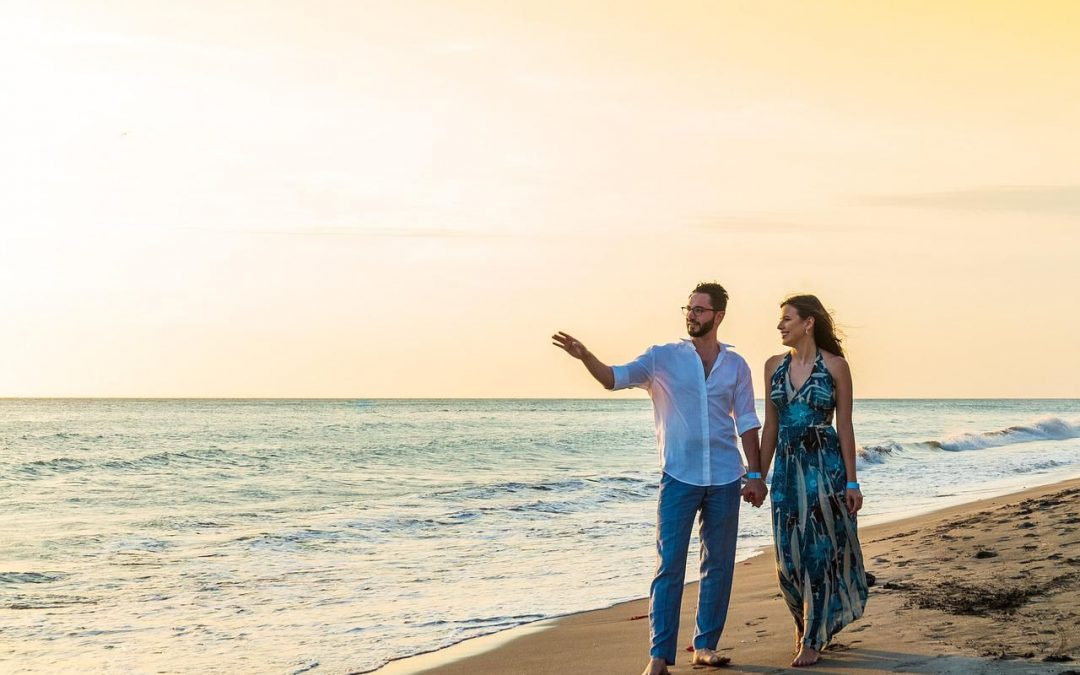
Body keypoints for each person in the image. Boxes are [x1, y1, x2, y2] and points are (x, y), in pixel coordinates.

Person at [552, 282, 765, 675]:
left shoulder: (736, 366)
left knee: (718, 564)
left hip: (723, 476)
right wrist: (585, 357)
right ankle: (659, 656)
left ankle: (705, 646)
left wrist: (755, 474)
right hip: (678, 476)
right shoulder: (662, 358)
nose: (692, 315)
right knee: (669, 565)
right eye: (689, 308)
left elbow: (748, 422)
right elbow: (613, 378)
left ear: (718, 316)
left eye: (700, 310)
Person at [756, 295, 868, 667]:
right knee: (788, 561)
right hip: (787, 472)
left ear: (808, 323)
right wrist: (758, 473)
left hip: (825, 469)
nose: (780, 326)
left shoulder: (835, 366)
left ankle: (811, 638)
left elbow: (845, 425)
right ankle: (805, 625)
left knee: (818, 554)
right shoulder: (773, 366)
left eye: (787, 319)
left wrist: (852, 482)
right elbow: (771, 426)